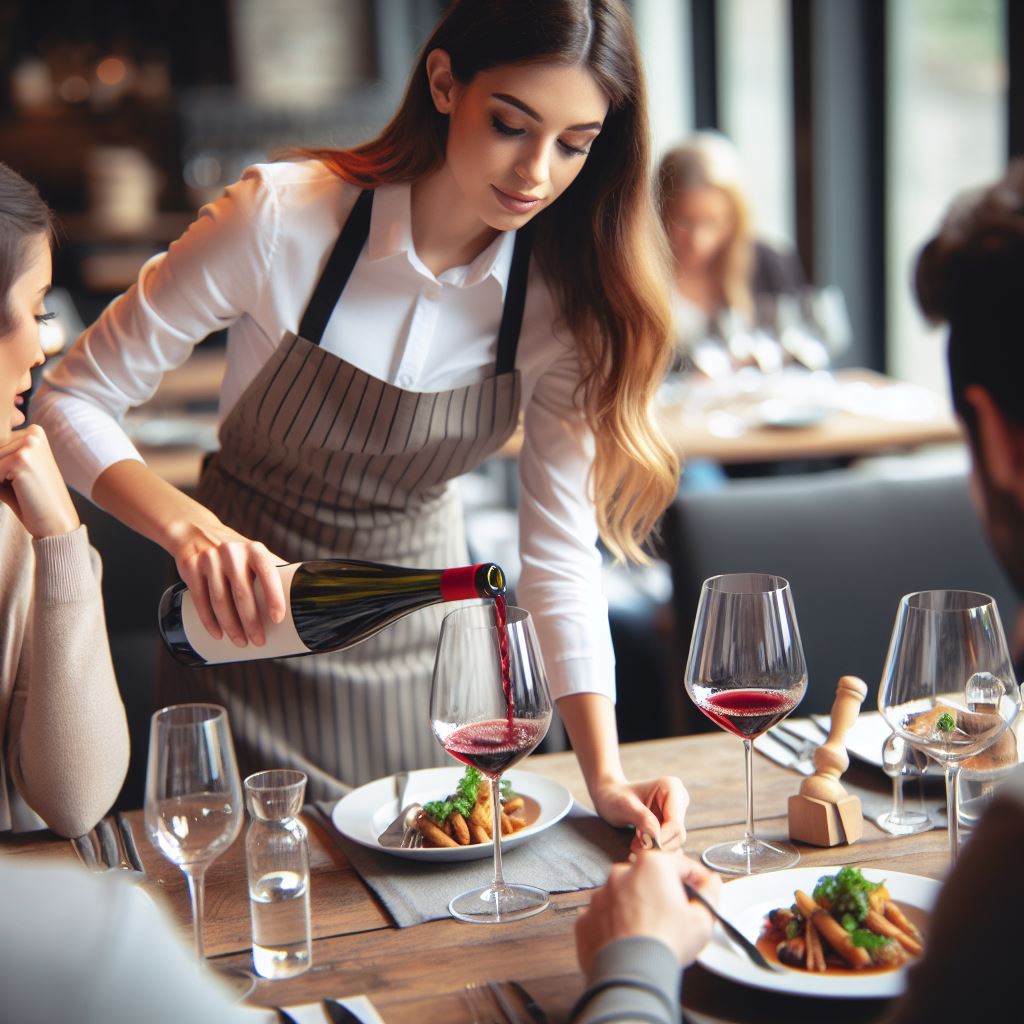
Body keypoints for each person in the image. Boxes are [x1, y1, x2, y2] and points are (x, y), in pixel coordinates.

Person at [34, 0, 687, 844]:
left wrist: (605, 772)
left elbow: (558, 553)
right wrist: (194, 536)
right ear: (445, 82)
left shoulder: (562, 300)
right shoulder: (279, 220)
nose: (536, 172)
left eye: (573, 144)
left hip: (432, 655)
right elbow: (68, 398)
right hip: (245, 629)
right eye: (510, 124)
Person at [0, 161, 129, 838]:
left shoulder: (17, 525)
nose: (46, 341)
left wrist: (61, 546)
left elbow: (77, 800)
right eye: (38, 307)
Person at [656, 130, 807, 374]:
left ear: (736, 217)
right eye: (683, 221)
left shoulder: (770, 264)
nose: (699, 240)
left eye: (714, 222)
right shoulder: (638, 273)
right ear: (659, 212)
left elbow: (803, 346)